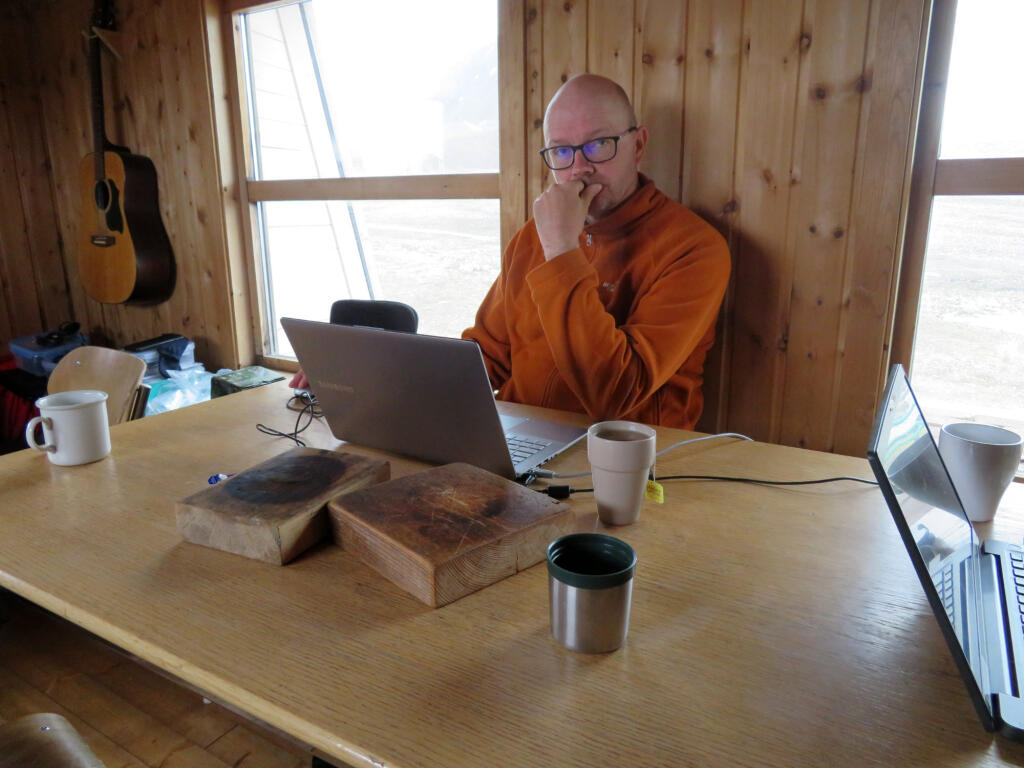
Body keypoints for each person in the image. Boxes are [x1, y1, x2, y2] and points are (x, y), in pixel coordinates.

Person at [462, 73, 730, 430]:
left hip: (624, 452)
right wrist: (427, 392)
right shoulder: (533, 235)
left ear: (638, 146)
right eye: (561, 150)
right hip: (520, 440)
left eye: (599, 144)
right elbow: (489, 353)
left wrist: (561, 250)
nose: (579, 168)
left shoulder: (693, 247)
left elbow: (615, 394)